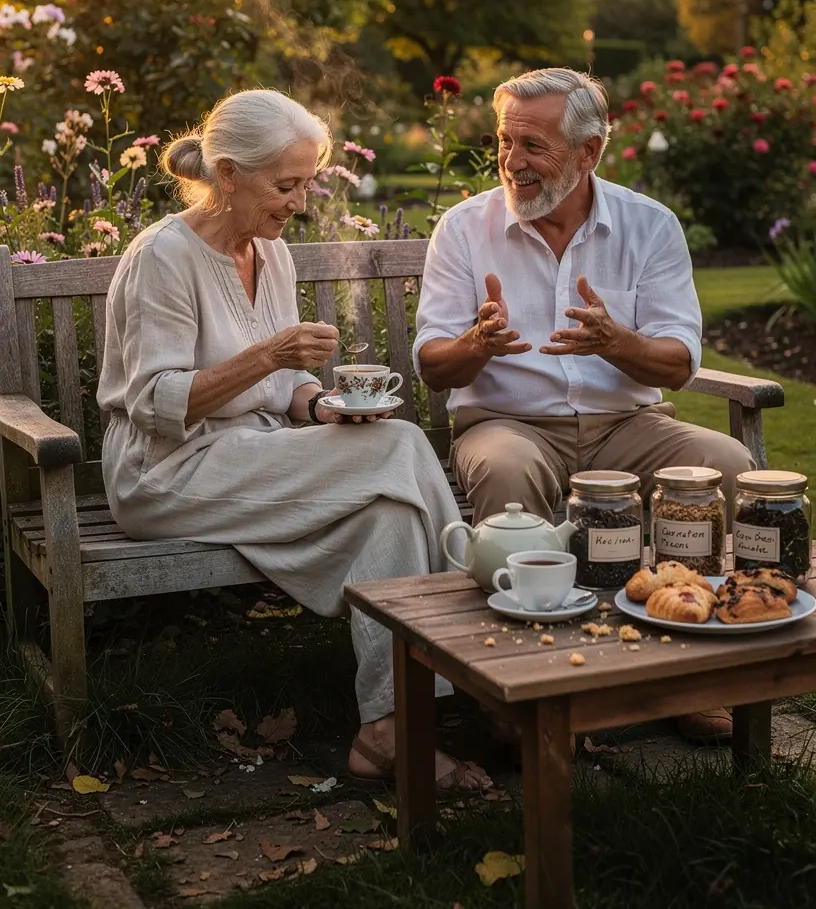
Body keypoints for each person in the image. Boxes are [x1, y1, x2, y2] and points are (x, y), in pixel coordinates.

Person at [97, 87, 490, 790]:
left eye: (306, 183)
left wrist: (323, 406)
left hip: (251, 457)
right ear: (227, 174)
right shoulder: (163, 256)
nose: (300, 201)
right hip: (163, 471)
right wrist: (270, 357)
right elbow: (156, 404)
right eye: (286, 184)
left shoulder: (270, 252)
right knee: (399, 447)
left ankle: (387, 731)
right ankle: (481, 618)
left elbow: (285, 393)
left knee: (390, 514)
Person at [413, 68, 753, 743]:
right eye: (506, 142)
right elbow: (431, 366)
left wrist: (617, 343)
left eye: (533, 146)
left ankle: (686, 676)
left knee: (725, 463)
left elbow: (679, 364)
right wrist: (477, 344)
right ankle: (524, 696)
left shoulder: (648, 226)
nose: (514, 162)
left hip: (630, 426)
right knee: (508, 470)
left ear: (589, 152)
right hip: (509, 424)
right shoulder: (462, 229)